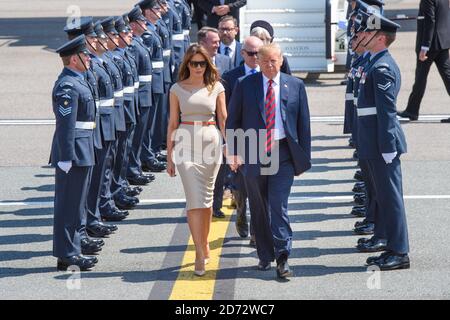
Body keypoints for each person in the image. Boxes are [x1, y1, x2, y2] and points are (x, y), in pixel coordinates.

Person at [226, 43, 312, 279]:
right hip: (253, 152)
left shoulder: (295, 85)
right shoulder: (245, 85)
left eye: (274, 61)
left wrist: (303, 159)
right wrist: (233, 151)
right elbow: (232, 121)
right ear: (258, 63)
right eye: (265, 61)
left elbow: (304, 125)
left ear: (281, 60)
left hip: (282, 154)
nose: (270, 65)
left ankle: (283, 256)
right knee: (259, 206)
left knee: (278, 205)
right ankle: (265, 255)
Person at [355, 12, 410, 270]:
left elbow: (387, 112)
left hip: (382, 144)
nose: (363, 36)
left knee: (391, 197)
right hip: (372, 142)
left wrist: (388, 146)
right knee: (383, 196)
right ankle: (390, 245)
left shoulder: (383, 67)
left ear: (380, 38)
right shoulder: (373, 63)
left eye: (368, 33)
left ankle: (400, 251)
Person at [166, 44, 227, 276]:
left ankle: (204, 243)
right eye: (194, 63)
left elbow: (223, 119)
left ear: (207, 65)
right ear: (187, 65)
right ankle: (199, 253)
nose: (199, 67)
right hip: (185, 144)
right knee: (194, 200)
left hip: (211, 143)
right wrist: (169, 157)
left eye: (202, 63)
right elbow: (172, 123)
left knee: (207, 202)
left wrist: (229, 146)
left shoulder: (217, 87)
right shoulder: (177, 89)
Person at [50, 35, 98, 271]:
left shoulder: (78, 79)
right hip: (74, 151)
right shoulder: (67, 85)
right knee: (69, 205)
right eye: (85, 54)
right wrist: (66, 156)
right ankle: (67, 254)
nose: (89, 57)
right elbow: (66, 125)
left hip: (83, 147)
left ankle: (74, 247)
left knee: (77, 204)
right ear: (73, 59)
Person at [222, 36, 264, 244]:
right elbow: (227, 115)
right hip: (241, 139)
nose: (255, 57)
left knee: (259, 190)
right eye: (251, 53)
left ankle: (257, 232)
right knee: (241, 186)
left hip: (264, 142)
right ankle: (240, 210)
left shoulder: (270, 73)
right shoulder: (231, 78)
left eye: (259, 53)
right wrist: (228, 145)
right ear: (242, 54)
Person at [397, 0, 450, 122]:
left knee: (420, 78)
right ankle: (411, 110)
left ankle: (412, 111)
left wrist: (425, 47)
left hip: (430, 44)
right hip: (442, 41)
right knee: (446, 76)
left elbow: (430, 21)